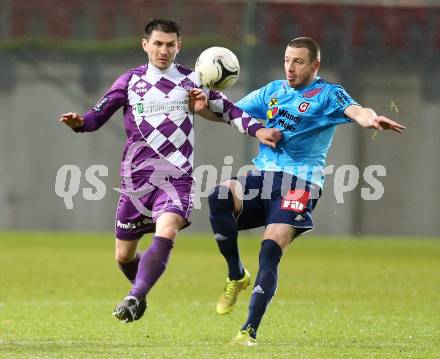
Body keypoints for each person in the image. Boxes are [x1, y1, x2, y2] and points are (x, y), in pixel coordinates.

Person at [59, 17, 281, 323]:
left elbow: (229, 110)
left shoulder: (193, 83)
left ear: (179, 46)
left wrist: (258, 131)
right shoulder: (129, 82)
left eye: (170, 44)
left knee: (168, 228)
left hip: (175, 177)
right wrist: (79, 123)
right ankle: (139, 292)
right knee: (123, 256)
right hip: (136, 183)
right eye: (158, 44)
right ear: (145, 45)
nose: (163, 50)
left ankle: (134, 297)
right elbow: (96, 116)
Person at [206, 37, 405, 346]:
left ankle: (248, 331)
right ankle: (236, 274)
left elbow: (356, 110)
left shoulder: (328, 94)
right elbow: (228, 113)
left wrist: (371, 119)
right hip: (263, 177)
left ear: (315, 65)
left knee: (270, 249)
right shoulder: (273, 91)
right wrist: (199, 106)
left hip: (300, 184)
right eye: (287, 60)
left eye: (298, 61)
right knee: (219, 195)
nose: (290, 67)